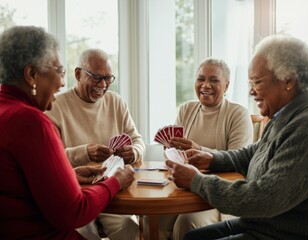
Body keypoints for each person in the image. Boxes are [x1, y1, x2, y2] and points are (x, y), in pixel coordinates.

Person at [166, 34, 308, 240]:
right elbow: (255, 152)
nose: (251, 91)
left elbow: (264, 198)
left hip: (287, 234)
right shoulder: (288, 114)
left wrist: (197, 181)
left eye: (257, 82)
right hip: (266, 225)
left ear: (288, 81)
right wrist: (213, 159)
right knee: (192, 237)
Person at [0, 25, 135, 239]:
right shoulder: (31, 122)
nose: (62, 82)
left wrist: (72, 175)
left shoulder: (6, 110)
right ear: (32, 74)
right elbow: (74, 213)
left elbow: (22, 187)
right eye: (59, 71)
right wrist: (115, 181)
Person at [45, 48, 144, 239]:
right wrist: (85, 153)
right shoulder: (54, 105)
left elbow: (138, 140)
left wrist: (133, 152)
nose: (103, 85)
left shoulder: (116, 102)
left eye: (108, 78)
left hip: (113, 190)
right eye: (96, 77)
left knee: (129, 229)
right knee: (83, 232)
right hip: (74, 194)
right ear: (78, 74)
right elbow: (50, 160)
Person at [154, 58, 253, 240]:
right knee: (152, 218)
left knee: (186, 222)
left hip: (216, 196)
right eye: (201, 79)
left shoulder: (238, 113)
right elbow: (173, 156)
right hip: (182, 189)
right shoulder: (186, 109)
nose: (205, 85)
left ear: (227, 85)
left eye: (214, 80)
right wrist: (170, 150)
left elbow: (239, 161)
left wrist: (199, 148)